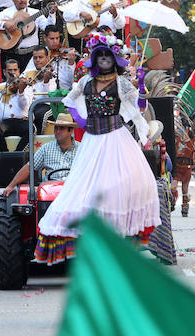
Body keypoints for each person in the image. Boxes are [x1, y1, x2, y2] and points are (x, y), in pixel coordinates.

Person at [34, 33, 160, 264]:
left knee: (121, 188)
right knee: (84, 190)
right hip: (92, 141)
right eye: (99, 55)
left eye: (107, 55)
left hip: (116, 140)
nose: (103, 58)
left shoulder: (121, 83)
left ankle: (117, 243)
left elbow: (140, 107)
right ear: (94, 58)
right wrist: (79, 120)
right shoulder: (85, 82)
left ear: (114, 59)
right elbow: (69, 100)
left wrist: (142, 84)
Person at [3, 112, 80, 195]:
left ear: (70, 131)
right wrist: (11, 186)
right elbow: (29, 167)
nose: (57, 131)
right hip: (50, 191)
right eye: (56, 128)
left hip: (73, 190)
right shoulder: (46, 148)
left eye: (61, 128)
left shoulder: (81, 149)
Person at [0, 0, 53, 71]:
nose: (22, 0)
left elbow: (48, 28)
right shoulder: (7, 13)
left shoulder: (35, 13)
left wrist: (52, 14)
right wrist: (4, 24)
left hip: (31, 55)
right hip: (12, 55)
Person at [25, 25, 77, 91]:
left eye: (57, 38)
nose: (55, 41)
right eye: (52, 39)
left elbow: (72, 81)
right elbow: (28, 75)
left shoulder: (65, 55)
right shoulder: (39, 55)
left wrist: (71, 63)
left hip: (65, 92)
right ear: (44, 37)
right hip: (45, 92)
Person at [171, 105, 195, 217]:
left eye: (185, 126)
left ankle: (185, 208)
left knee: (185, 189)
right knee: (173, 187)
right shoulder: (176, 137)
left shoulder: (193, 139)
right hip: (177, 166)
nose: (183, 128)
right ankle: (172, 202)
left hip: (187, 167)